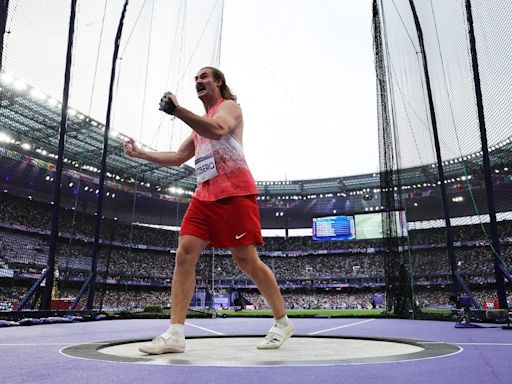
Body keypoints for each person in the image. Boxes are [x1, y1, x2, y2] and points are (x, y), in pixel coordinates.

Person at [124, 66, 293, 354]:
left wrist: (178, 110)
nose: (198, 81)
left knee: (246, 259)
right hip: (204, 195)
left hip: (235, 192)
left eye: (204, 77)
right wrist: (141, 153)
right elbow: (178, 157)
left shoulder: (229, 107)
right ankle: (175, 333)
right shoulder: (198, 124)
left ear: (218, 83)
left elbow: (219, 129)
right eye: (195, 79)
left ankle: (282, 322)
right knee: (184, 254)